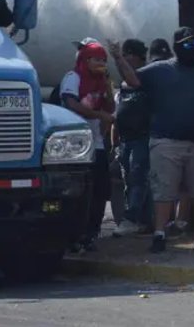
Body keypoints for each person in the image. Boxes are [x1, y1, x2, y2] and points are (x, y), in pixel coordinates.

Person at [110, 27, 194, 253]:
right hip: (167, 141)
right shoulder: (160, 69)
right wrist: (118, 57)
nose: (192, 48)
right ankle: (159, 234)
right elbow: (132, 80)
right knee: (163, 190)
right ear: (177, 47)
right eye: (187, 44)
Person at [60, 40, 116, 251]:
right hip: (74, 144)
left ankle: (92, 232)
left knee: (101, 189)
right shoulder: (73, 78)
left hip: (96, 142)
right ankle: (74, 233)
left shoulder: (103, 81)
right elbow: (71, 104)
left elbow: (110, 106)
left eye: (103, 60)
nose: (100, 63)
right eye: (96, 59)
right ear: (85, 60)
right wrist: (98, 114)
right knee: (78, 190)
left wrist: (109, 89)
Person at [112, 39, 153, 237]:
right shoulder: (123, 83)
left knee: (138, 179)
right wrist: (115, 141)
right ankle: (143, 221)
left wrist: (117, 57)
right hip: (125, 139)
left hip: (142, 138)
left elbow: (132, 78)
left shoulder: (145, 76)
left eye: (128, 55)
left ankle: (132, 218)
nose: (126, 59)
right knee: (130, 181)